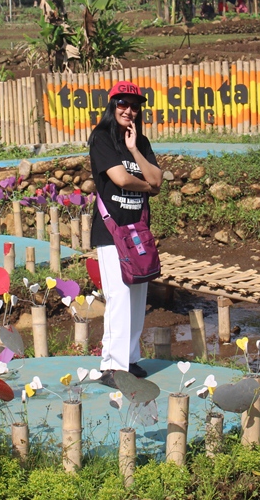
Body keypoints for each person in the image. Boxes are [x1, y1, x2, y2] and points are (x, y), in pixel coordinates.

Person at [89, 81, 163, 386]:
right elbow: (120, 178)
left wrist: (134, 148)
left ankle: (130, 359)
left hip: (137, 230)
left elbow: (158, 177)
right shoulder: (102, 139)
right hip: (111, 230)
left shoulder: (140, 142)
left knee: (137, 295)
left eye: (134, 106)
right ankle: (113, 366)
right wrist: (147, 186)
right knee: (118, 297)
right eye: (122, 104)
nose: (128, 110)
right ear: (112, 106)